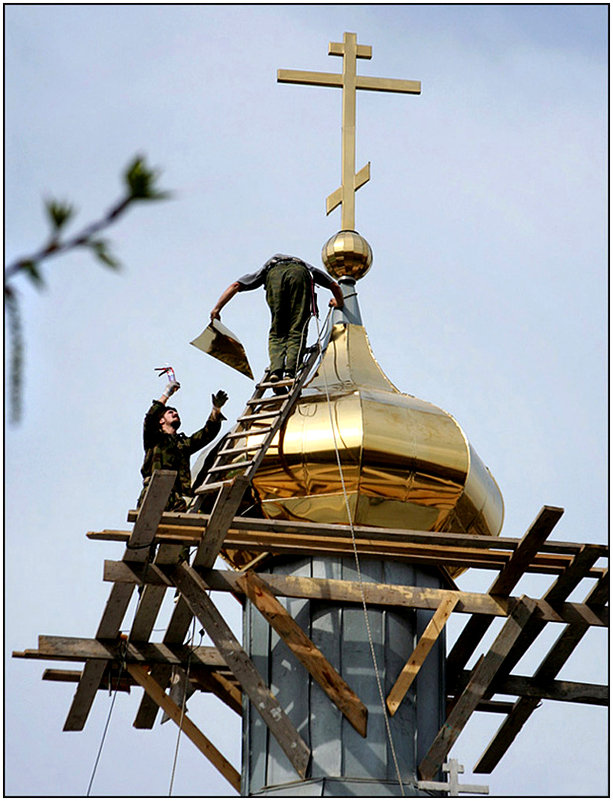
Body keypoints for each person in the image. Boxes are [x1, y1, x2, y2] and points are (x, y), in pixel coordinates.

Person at [210, 253, 344, 387]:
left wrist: (217, 309)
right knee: (297, 328)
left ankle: (276, 371)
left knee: (277, 332)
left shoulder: (266, 269)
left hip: (274, 275)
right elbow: (335, 286)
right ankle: (290, 372)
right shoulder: (307, 268)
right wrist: (339, 303)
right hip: (300, 274)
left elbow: (235, 285)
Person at [138, 378, 228, 512]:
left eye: (176, 412)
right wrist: (166, 394)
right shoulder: (154, 439)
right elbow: (150, 418)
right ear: (161, 421)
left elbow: (206, 435)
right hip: (154, 494)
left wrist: (216, 410)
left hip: (177, 501)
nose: (175, 413)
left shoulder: (182, 444)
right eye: (170, 412)